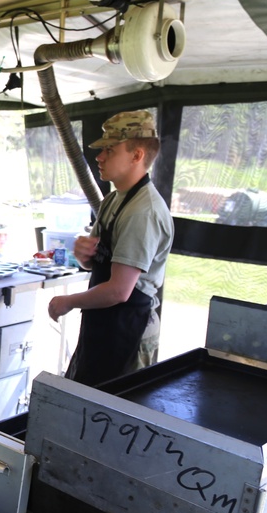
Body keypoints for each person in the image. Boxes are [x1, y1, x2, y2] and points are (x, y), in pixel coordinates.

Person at [48, 110, 174, 386]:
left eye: (109, 150)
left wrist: (68, 302)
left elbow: (119, 290)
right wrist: (85, 256)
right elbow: (98, 264)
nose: (99, 157)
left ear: (136, 155)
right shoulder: (113, 200)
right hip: (103, 325)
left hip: (129, 330)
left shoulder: (143, 212)